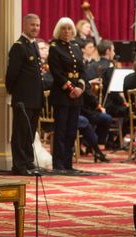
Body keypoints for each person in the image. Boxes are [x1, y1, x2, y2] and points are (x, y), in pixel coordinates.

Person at [6, 13, 44, 176]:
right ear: (25, 25)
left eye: (37, 25)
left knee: (30, 132)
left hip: (35, 99)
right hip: (22, 99)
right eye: (32, 25)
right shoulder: (19, 46)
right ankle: (19, 164)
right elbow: (11, 75)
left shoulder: (33, 45)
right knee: (21, 133)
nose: (35, 28)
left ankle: (28, 162)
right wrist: (14, 93)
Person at [48, 17, 86, 174]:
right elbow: (56, 72)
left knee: (72, 130)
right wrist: (71, 88)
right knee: (61, 130)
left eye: (69, 28)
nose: (67, 31)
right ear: (59, 30)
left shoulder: (76, 47)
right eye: (64, 28)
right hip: (62, 95)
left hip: (76, 95)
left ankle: (68, 163)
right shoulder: (54, 47)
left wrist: (80, 88)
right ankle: (58, 163)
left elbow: (83, 70)